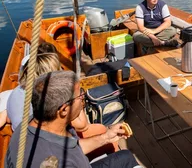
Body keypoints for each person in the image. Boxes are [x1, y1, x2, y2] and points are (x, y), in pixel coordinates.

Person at [5, 70, 139, 168]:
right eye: (80, 96)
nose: (83, 100)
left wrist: (106, 137)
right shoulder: (56, 162)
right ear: (63, 110)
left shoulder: (30, 123)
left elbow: (73, 147)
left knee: (125, 157)